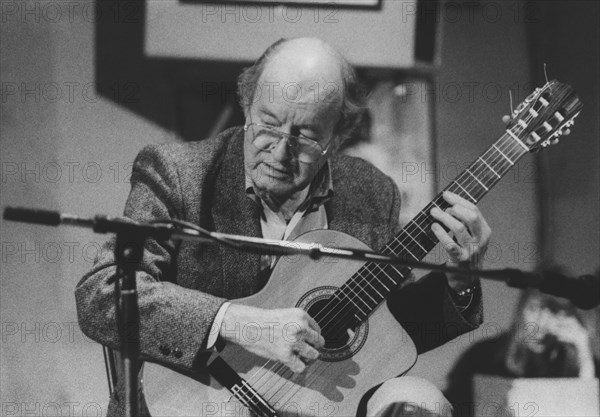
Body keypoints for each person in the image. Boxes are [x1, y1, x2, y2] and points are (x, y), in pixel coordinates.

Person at [75, 37, 491, 417]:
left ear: (338, 135)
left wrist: (461, 280)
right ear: (246, 103)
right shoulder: (179, 174)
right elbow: (103, 296)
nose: (280, 150)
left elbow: (390, 335)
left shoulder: (369, 192)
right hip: (193, 403)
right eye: (268, 123)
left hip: (320, 405)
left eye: (306, 136)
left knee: (422, 401)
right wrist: (241, 323)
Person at [445, 288, 600, 417]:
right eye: (534, 309)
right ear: (521, 309)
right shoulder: (483, 355)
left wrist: (584, 353)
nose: (540, 322)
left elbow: (589, 408)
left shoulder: (578, 360)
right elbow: (452, 406)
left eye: (552, 312)